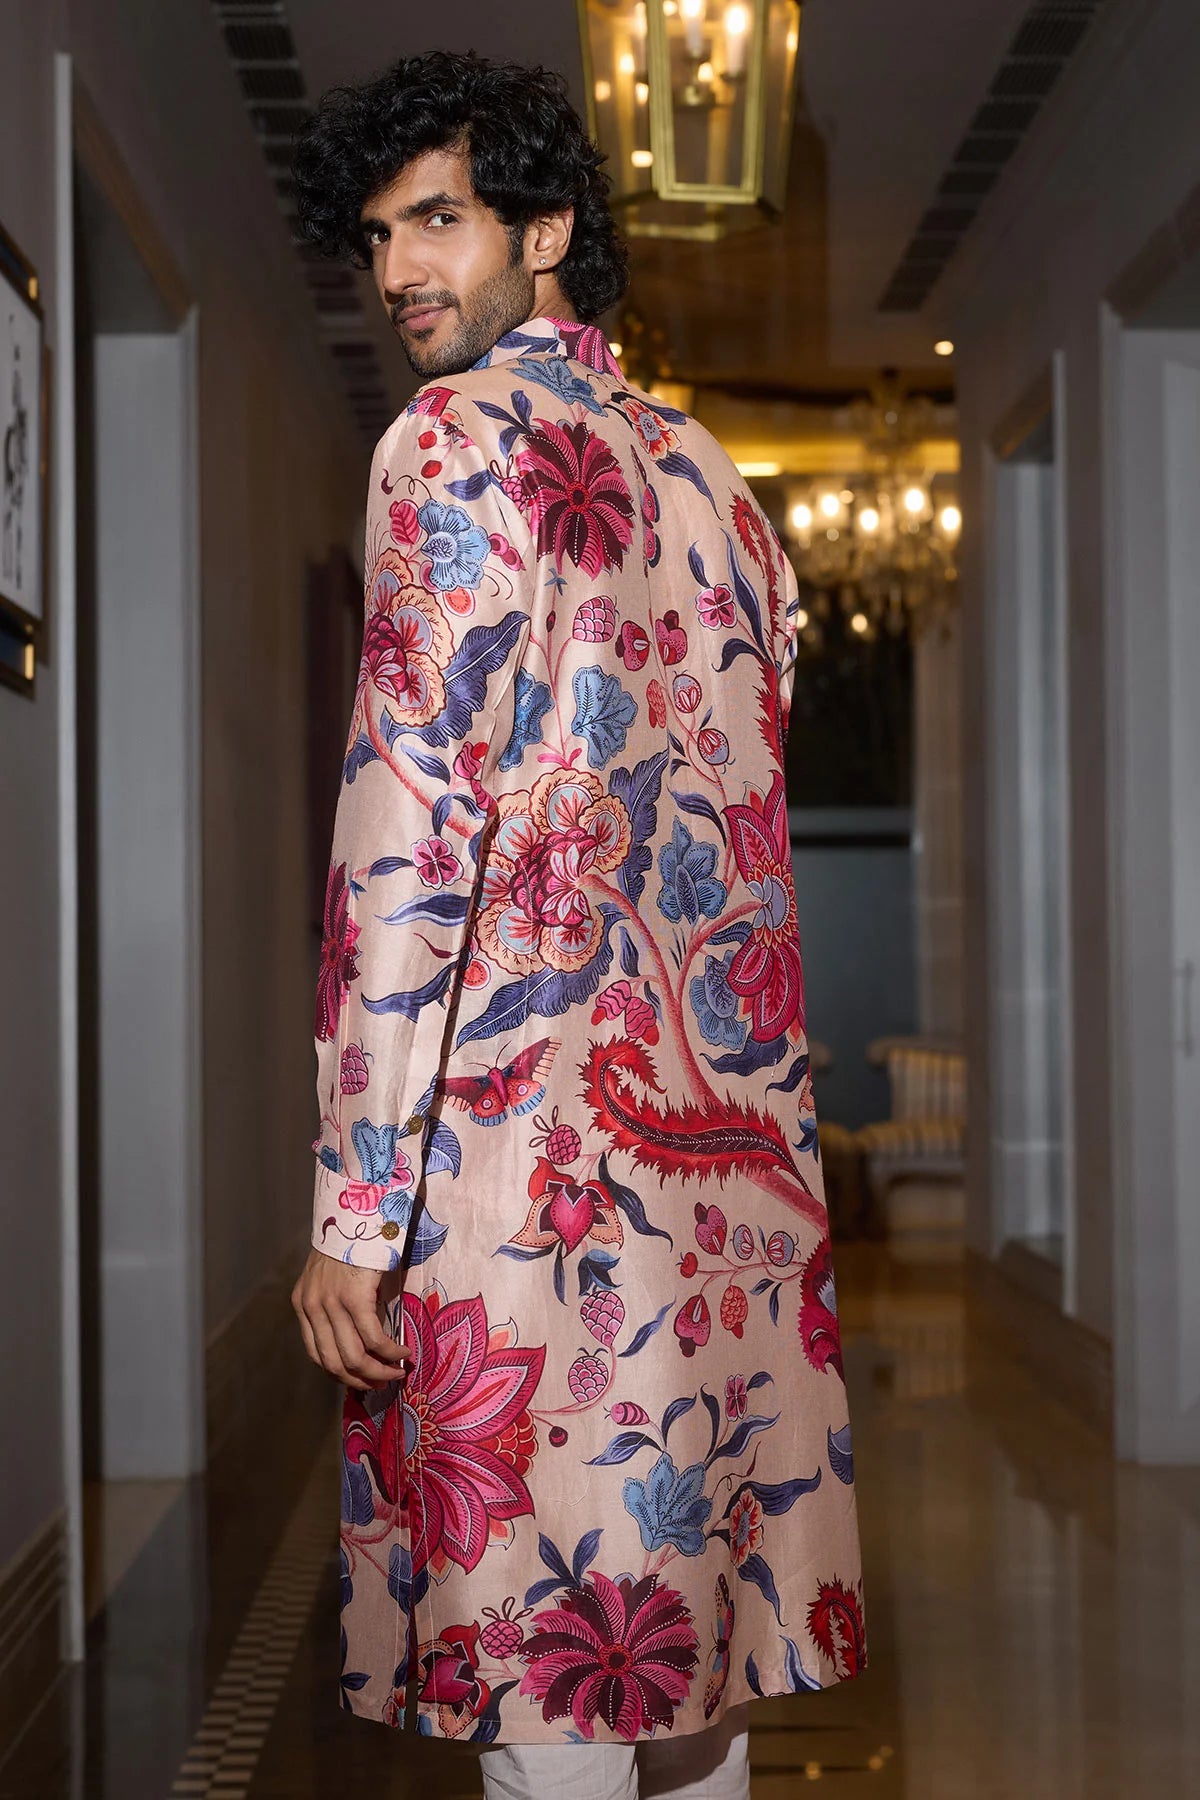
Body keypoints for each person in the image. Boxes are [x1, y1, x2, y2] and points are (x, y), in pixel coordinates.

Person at [290, 48, 867, 1800]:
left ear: (544, 231)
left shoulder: (447, 440)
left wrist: (357, 1209)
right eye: (380, 236)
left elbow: (409, 839)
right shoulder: (717, 482)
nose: (401, 271)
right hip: (732, 1178)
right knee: (687, 1670)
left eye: (440, 222)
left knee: (552, 1688)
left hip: (523, 1181)